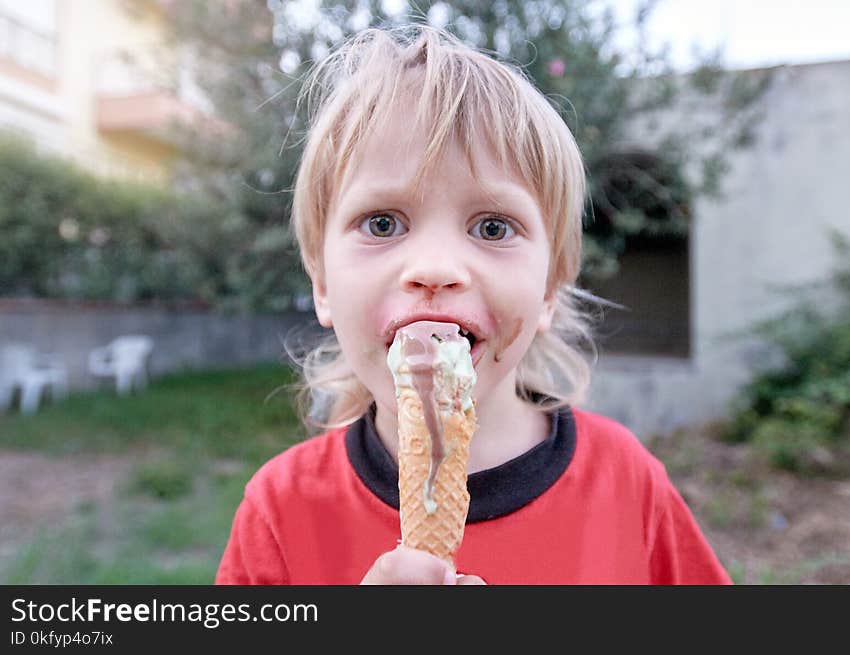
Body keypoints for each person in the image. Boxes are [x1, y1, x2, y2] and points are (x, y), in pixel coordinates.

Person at [216, 25, 731, 585]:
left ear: (548, 290)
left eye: (492, 226)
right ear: (321, 284)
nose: (435, 267)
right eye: (382, 223)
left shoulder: (626, 483)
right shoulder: (282, 510)